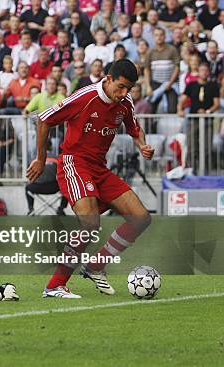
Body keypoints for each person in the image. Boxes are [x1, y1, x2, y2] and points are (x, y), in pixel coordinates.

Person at [27, 59, 154, 299]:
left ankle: (97, 265)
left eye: (129, 89)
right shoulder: (85, 97)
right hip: (74, 163)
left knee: (141, 218)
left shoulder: (125, 102)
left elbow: (135, 129)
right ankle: (54, 286)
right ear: (108, 79)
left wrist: (142, 145)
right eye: (121, 87)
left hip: (99, 169)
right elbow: (44, 119)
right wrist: (41, 159)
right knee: (90, 224)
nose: (124, 93)